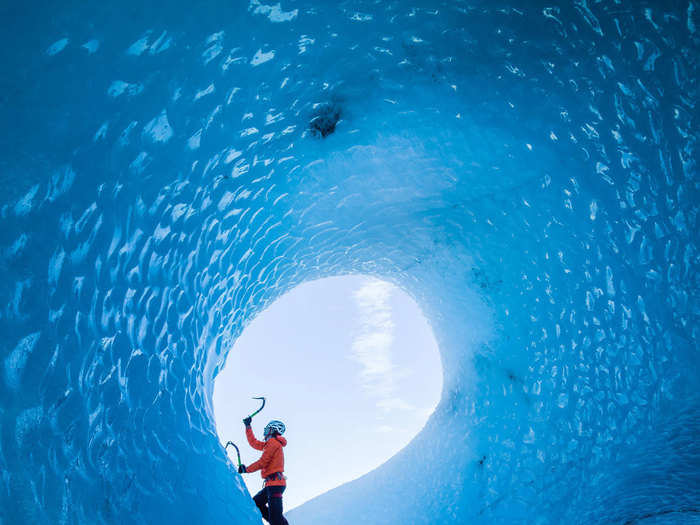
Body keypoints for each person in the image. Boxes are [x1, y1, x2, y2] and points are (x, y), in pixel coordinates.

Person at [238, 418, 289, 525]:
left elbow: (262, 462)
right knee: (257, 504)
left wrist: (246, 469)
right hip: (272, 484)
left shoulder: (273, 443)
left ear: (272, 430)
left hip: (275, 484)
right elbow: (254, 443)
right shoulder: (269, 444)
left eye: (267, 429)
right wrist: (248, 427)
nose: (265, 431)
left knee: (276, 519)